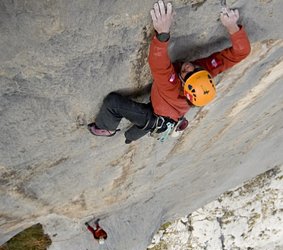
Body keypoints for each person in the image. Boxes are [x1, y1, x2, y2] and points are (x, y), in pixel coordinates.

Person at [88, 0, 251, 144]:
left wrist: (162, 33)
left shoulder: (170, 87)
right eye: (197, 69)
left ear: (186, 88)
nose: (190, 67)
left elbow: (158, 63)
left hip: (156, 117)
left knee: (113, 105)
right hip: (167, 113)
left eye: (188, 74)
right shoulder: (201, 75)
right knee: (133, 134)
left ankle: (106, 129)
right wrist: (232, 27)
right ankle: (135, 135)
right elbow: (241, 53)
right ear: (205, 74)